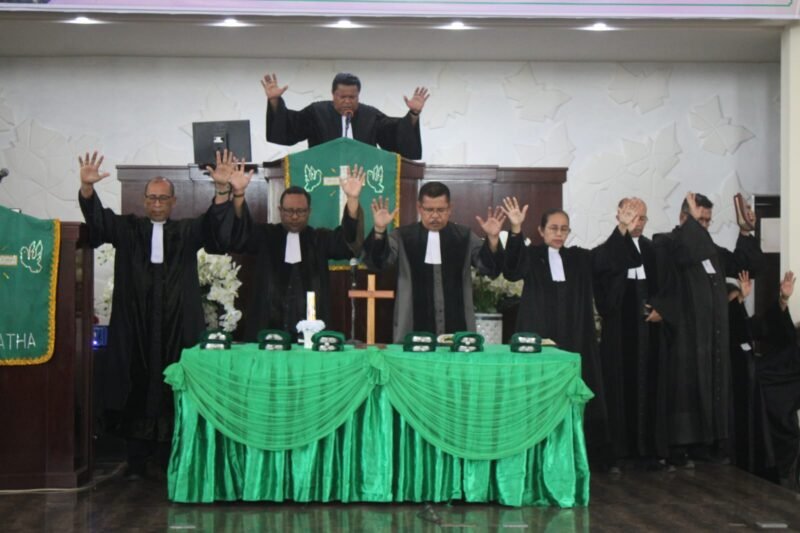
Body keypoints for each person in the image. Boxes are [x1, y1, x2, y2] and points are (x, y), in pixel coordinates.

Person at [78, 149, 250, 479]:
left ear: (173, 202)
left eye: (163, 198)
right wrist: (88, 188)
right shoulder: (128, 229)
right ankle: (135, 459)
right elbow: (99, 220)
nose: (156, 204)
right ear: (144, 201)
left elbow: (213, 226)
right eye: (151, 198)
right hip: (135, 325)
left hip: (177, 323)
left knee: (174, 383)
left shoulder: (186, 231)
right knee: (135, 384)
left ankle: (170, 456)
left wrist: (221, 189)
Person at [652, 192, 764, 467]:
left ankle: (706, 443)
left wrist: (745, 232)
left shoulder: (712, 250)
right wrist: (691, 227)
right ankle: (680, 446)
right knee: (686, 387)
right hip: (685, 334)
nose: (703, 226)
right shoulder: (665, 242)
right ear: (683, 218)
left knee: (712, 385)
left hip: (713, 334)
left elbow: (746, 265)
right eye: (698, 220)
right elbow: (681, 259)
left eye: (706, 221)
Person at [500, 197, 610, 466]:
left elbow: (606, 256)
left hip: (575, 336)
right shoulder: (531, 255)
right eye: (553, 228)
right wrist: (516, 229)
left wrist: (622, 229)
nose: (559, 234)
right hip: (541, 337)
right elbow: (512, 269)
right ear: (541, 230)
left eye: (564, 229)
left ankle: (578, 452)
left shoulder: (578, 258)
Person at [224, 165, 366, 340]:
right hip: (268, 331)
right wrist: (238, 195)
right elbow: (241, 234)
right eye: (289, 211)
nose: (294, 216)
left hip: (310, 334)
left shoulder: (319, 239)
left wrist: (352, 199)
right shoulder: (266, 236)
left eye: (300, 211)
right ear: (280, 210)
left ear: (309, 212)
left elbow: (347, 242)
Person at [361, 181, 504, 342]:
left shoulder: (464, 236)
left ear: (450, 208)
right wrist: (379, 231)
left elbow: (488, 268)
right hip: (411, 325)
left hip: (458, 323)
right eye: (429, 210)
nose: (435, 216)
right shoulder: (402, 236)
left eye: (441, 210)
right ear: (419, 208)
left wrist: (493, 240)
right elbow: (379, 263)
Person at [593, 197, 667, 469]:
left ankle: (649, 448)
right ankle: (619, 451)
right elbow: (601, 277)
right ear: (619, 217)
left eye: (642, 217)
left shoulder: (654, 250)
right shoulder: (607, 250)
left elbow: (669, 287)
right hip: (620, 331)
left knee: (650, 386)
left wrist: (662, 309)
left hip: (650, 331)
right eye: (632, 216)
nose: (638, 222)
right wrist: (622, 232)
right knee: (619, 386)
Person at [729, 271, 800, 488]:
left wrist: (783, 300)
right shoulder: (727, 330)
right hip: (764, 394)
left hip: (781, 400)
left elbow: (780, 331)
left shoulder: (790, 346)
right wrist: (741, 300)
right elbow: (745, 328)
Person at [262, 71, 429, 159]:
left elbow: (396, 134)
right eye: (342, 97)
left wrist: (413, 113)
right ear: (333, 94)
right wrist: (274, 101)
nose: (347, 101)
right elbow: (289, 128)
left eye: (352, 97)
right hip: (323, 177)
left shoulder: (370, 116)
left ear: (358, 95)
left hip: (362, 179)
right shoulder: (317, 113)